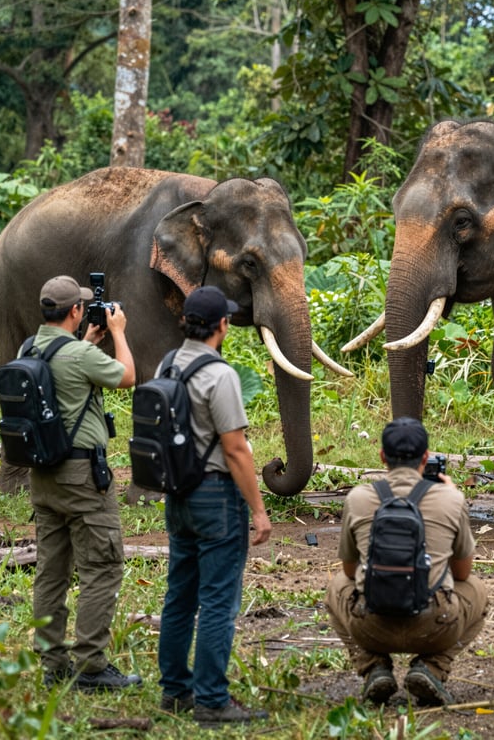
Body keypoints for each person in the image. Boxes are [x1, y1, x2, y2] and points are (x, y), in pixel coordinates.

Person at [157, 286, 272, 728]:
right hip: (216, 496)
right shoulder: (219, 375)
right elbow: (236, 449)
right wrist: (259, 511)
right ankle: (210, 699)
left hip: (178, 493)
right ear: (221, 326)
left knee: (179, 596)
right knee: (218, 600)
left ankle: (174, 691)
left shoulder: (167, 363)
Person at [325, 416, 488, 706]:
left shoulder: (358, 498)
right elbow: (463, 573)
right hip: (435, 626)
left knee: (337, 585)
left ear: (381, 457)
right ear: (426, 457)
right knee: (477, 589)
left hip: (371, 624)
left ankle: (373, 666)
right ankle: (433, 666)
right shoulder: (451, 499)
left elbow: (350, 570)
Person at [30, 275, 140, 691]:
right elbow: (127, 376)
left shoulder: (32, 346)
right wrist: (117, 333)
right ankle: (91, 666)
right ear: (75, 311)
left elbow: (62, 381)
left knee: (51, 571)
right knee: (102, 567)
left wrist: (88, 342)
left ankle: (53, 663)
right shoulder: (77, 354)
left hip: (44, 476)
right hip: (82, 478)